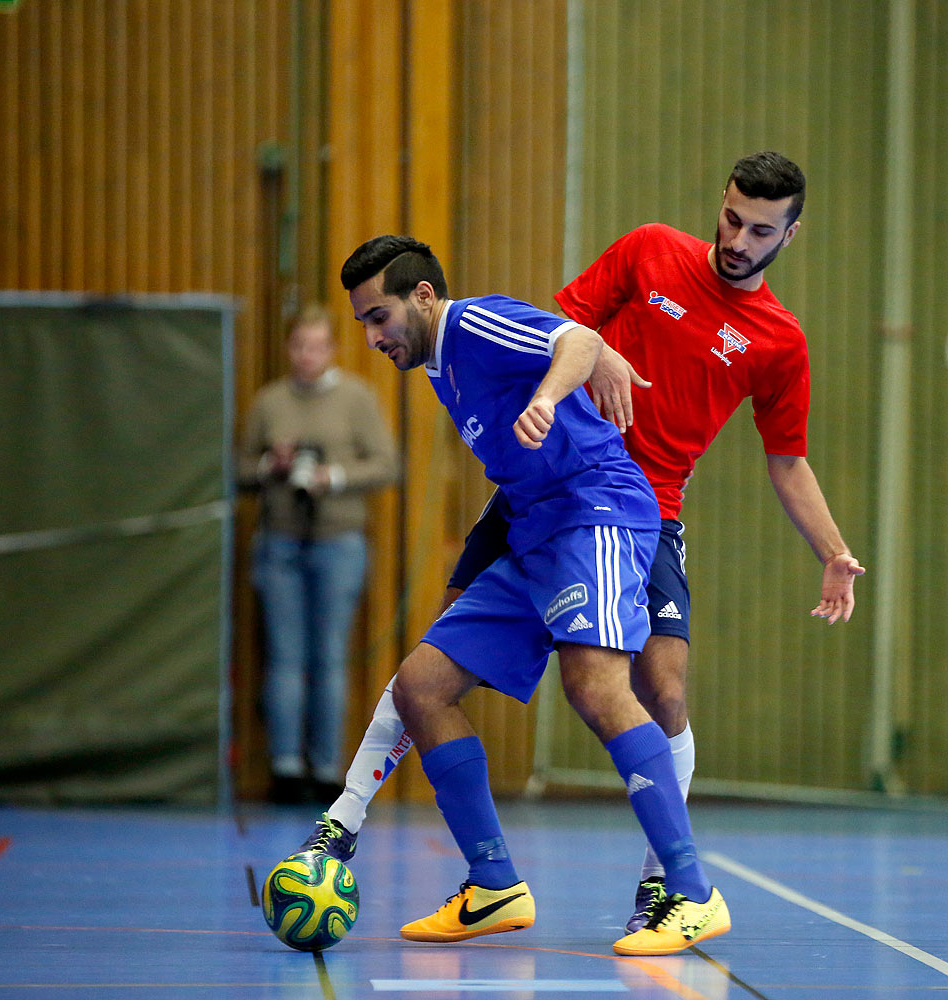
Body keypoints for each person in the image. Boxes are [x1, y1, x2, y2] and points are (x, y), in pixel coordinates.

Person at [299, 151, 864, 931]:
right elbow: (562, 325)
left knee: (647, 691)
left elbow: (788, 460)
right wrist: (590, 359)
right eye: (731, 216)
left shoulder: (778, 340)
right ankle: (367, 836)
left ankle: (675, 889)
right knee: (426, 677)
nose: (737, 238)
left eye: (759, 229)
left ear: (790, 235)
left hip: (624, 504)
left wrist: (832, 550)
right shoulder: (648, 252)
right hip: (539, 492)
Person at [312, 234, 730, 956]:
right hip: (534, 531)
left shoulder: (470, 323)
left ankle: (692, 892)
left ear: (423, 297)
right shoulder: (439, 367)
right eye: (361, 323)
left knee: (597, 684)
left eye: (377, 317)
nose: (373, 336)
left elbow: (577, 340)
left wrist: (546, 397)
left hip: (594, 508)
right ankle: (494, 883)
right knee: (422, 686)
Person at [238, 304, 398, 805]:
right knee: (284, 658)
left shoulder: (356, 398)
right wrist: (272, 463)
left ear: (331, 349)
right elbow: (240, 469)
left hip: (339, 541)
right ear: (288, 349)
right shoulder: (269, 402)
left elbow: (388, 464)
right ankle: (286, 767)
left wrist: (335, 476)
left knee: (330, 657)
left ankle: (327, 769)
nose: (307, 356)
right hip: (280, 540)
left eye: (317, 346)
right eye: (298, 345)